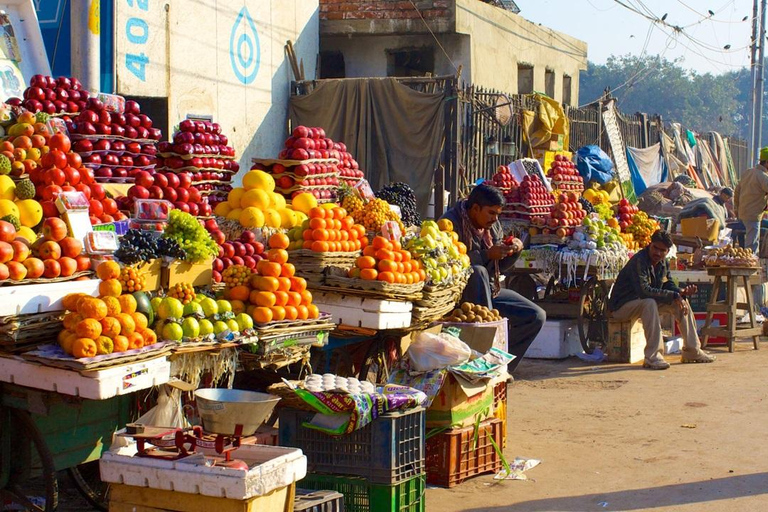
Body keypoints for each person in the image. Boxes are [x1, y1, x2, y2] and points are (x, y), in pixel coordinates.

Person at [441, 184, 546, 372]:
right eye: (491, 213)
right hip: (459, 294)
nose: (495, 219)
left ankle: (500, 366)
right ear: (475, 209)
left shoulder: (492, 226)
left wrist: (512, 251)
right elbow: (449, 264)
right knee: (478, 271)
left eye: (497, 214)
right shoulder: (450, 223)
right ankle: (485, 355)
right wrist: (486, 255)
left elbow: (498, 267)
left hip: (489, 291)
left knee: (536, 316)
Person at [608, 230, 715, 370]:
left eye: (662, 250)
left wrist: (680, 293)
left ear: (667, 251)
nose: (657, 253)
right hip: (621, 307)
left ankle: (692, 351)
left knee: (681, 303)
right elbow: (644, 291)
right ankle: (653, 356)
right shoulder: (639, 261)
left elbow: (667, 283)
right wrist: (674, 295)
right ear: (650, 245)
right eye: (655, 248)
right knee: (649, 303)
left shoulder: (662, 262)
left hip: (642, 304)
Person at [734, 149, 768, 254]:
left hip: (742, 213)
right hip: (753, 215)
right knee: (751, 246)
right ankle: (749, 266)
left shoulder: (748, 172)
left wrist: (737, 209)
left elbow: (737, 192)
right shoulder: (763, 177)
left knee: (746, 243)